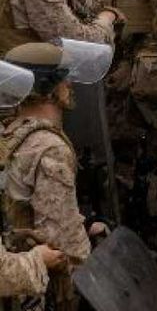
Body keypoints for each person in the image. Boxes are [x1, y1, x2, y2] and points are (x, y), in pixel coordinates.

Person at [0, 41, 112, 310]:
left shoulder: (10, 131)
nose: (70, 85)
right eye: (65, 78)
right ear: (47, 88)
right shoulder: (50, 147)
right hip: (33, 284)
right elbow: (62, 238)